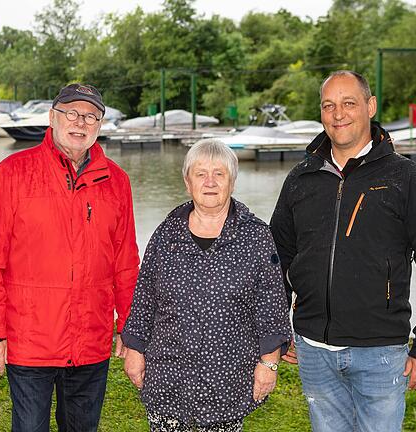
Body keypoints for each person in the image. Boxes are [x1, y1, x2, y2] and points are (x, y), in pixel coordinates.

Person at [269, 70, 416, 432]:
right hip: (313, 349)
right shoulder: (300, 179)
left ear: (370, 106)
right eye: (329, 105)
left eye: (349, 103)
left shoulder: (406, 178)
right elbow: (277, 258)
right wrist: (277, 327)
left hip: (381, 351)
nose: (339, 114)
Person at [0, 83, 139, 432]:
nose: (80, 122)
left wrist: (130, 329)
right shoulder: (13, 173)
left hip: (91, 340)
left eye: (91, 116)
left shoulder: (116, 181)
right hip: (30, 340)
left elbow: (125, 264)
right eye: (71, 113)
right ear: (52, 118)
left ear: (100, 125)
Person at [121, 139, 291, 432]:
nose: (209, 182)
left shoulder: (256, 236)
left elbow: (271, 307)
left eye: (219, 174)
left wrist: (269, 365)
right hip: (168, 377)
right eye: (200, 174)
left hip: (227, 380)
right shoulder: (167, 233)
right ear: (188, 182)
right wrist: (134, 349)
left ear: (232, 182)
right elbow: (145, 295)